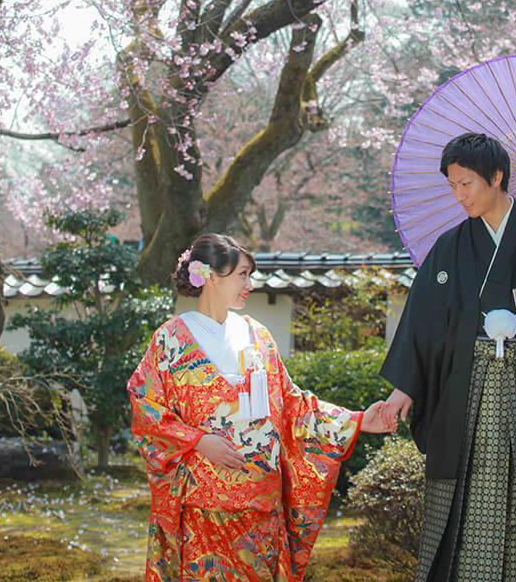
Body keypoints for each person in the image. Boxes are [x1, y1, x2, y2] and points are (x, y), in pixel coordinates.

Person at [381, 132, 516, 582]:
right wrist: (405, 387)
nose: (460, 195)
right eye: (453, 185)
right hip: (465, 387)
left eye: (467, 184)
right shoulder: (451, 245)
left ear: (497, 177)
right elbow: (422, 319)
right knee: (462, 494)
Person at [128, 232, 394, 582]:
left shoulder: (258, 335)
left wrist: (358, 420)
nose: (250, 284)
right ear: (209, 275)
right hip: (204, 505)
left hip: (261, 505)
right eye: (242, 274)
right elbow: (146, 408)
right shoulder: (171, 338)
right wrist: (197, 441)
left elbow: (291, 404)